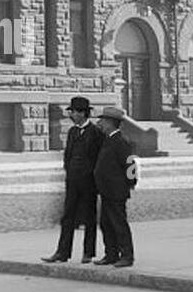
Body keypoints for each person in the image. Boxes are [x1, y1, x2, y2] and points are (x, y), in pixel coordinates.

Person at [41, 95, 102, 263]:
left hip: (88, 183)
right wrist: (68, 172)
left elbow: (97, 158)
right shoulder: (73, 131)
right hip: (73, 182)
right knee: (67, 217)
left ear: (82, 113)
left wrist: (93, 178)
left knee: (90, 218)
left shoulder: (95, 132)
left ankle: (88, 253)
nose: (72, 115)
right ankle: (62, 252)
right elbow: (68, 155)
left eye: (74, 112)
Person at [92, 105, 137, 267]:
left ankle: (127, 255)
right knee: (106, 224)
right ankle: (111, 254)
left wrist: (131, 182)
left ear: (111, 122)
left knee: (119, 224)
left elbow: (131, 164)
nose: (101, 124)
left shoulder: (121, 141)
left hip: (117, 191)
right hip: (106, 190)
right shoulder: (108, 139)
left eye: (103, 120)